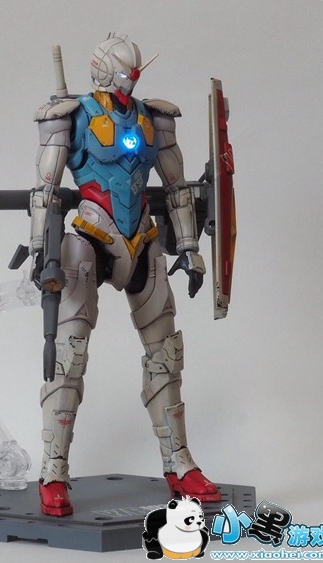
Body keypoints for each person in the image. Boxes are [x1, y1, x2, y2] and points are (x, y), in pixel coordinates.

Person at [29, 32, 220, 516]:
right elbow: (45, 190)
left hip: (143, 239)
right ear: (102, 70)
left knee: (166, 353)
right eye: (122, 73)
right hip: (89, 238)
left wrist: (191, 247)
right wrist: (38, 251)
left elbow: (176, 188)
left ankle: (179, 463)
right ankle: (53, 470)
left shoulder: (154, 118)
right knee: (69, 355)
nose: (129, 80)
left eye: (133, 73)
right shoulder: (71, 116)